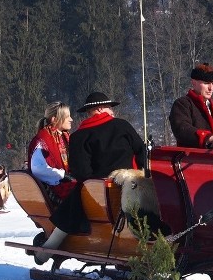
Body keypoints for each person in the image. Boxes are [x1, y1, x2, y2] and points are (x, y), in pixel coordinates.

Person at [34, 91, 146, 264]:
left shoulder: (79, 136)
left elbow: (80, 172)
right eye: (109, 108)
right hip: (131, 186)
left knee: (76, 197)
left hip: (99, 193)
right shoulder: (122, 126)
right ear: (100, 108)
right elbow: (142, 152)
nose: (112, 111)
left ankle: (52, 244)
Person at [169, 62, 213, 149]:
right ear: (194, 83)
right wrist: (208, 137)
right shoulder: (183, 104)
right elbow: (181, 129)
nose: (211, 88)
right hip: (194, 159)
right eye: (206, 83)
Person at [27, 101, 77, 207]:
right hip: (53, 188)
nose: (71, 119)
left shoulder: (64, 137)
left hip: (63, 183)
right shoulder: (43, 140)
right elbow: (38, 169)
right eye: (67, 116)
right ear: (54, 119)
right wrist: (63, 175)